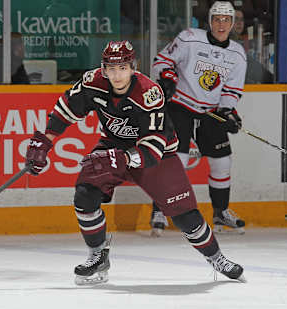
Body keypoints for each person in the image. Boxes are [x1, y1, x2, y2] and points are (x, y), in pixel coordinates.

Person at [24, 40, 245, 285]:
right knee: (85, 195)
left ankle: (216, 258)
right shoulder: (92, 82)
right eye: (111, 68)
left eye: (123, 68)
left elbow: (152, 147)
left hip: (159, 154)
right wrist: (45, 141)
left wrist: (120, 159)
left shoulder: (149, 93)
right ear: (103, 68)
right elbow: (65, 110)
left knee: (185, 216)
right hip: (114, 144)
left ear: (133, 67)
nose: (117, 75)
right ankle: (97, 256)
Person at [150, 1, 247, 236]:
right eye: (217, 19)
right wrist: (168, 77)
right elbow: (161, 61)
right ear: (210, 21)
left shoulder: (237, 53)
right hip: (180, 106)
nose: (221, 24)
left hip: (210, 111)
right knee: (177, 161)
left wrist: (228, 112)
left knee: (222, 162)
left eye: (226, 20)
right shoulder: (189, 38)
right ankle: (161, 210)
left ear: (233, 24)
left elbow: (232, 90)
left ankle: (221, 212)